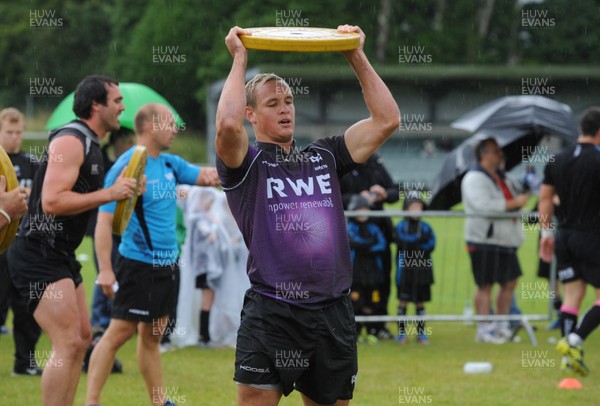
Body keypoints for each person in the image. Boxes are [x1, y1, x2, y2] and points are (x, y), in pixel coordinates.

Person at [216, 25, 400, 405]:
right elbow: (227, 125)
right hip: (272, 312)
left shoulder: (325, 155)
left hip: (332, 313)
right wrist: (239, 59)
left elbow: (387, 120)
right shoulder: (245, 164)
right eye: (272, 103)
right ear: (252, 113)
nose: (285, 108)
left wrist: (354, 53)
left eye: (289, 100)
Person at [6, 75, 138, 406]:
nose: (123, 107)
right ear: (96, 106)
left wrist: (124, 193)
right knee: (66, 340)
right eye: (117, 101)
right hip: (38, 251)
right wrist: (108, 192)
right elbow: (52, 201)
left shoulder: (92, 144)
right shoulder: (71, 140)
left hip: (60, 254)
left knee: (80, 339)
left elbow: (90, 197)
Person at [85, 103, 219, 406]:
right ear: (148, 127)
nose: (175, 129)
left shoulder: (171, 164)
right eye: (169, 123)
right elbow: (103, 221)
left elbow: (210, 177)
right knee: (119, 333)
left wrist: (242, 158)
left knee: (152, 337)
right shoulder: (129, 164)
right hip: (137, 266)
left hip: (168, 267)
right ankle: (90, 402)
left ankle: (159, 401)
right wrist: (105, 270)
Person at [539, 107, 600, 377]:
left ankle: (568, 360)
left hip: (563, 236)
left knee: (572, 297)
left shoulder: (557, 159)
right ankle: (573, 341)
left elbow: (544, 200)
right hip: (592, 238)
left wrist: (546, 234)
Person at [461, 137, 529, 344]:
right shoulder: (474, 178)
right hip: (484, 239)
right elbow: (484, 206)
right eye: (494, 150)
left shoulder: (502, 176)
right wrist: (512, 203)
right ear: (483, 154)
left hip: (506, 239)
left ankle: (501, 325)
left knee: (509, 282)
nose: (499, 153)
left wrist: (523, 191)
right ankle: (484, 329)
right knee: (485, 285)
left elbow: (515, 196)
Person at [0, 107, 42, 376]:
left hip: (24, 245)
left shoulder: (32, 162)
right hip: (1, 243)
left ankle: (24, 363)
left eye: (19, 132)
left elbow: (44, 198)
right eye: (9, 132)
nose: (15, 137)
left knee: (28, 308)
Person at [340, 152, 399, 339]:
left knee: (381, 282)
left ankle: (378, 326)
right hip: (352, 236)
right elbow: (334, 197)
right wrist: (358, 199)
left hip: (379, 235)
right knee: (353, 284)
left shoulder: (375, 163)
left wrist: (384, 193)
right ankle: (353, 327)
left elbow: (395, 192)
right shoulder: (342, 165)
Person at [394, 194, 435, 345]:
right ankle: (401, 333)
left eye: (419, 207)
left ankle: (421, 333)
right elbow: (400, 240)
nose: (416, 210)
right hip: (405, 270)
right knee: (403, 300)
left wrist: (417, 245)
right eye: (413, 207)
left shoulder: (425, 227)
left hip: (422, 270)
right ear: (405, 209)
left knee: (420, 302)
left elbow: (431, 244)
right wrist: (417, 242)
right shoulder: (401, 226)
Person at [346, 195, 386, 343]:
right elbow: (353, 242)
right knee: (356, 302)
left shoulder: (374, 228)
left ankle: (372, 332)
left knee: (372, 301)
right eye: (359, 210)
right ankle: (355, 333)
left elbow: (381, 245)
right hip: (356, 274)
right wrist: (369, 244)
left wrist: (365, 246)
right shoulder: (350, 227)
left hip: (373, 273)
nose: (363, 213)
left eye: (365, 210)